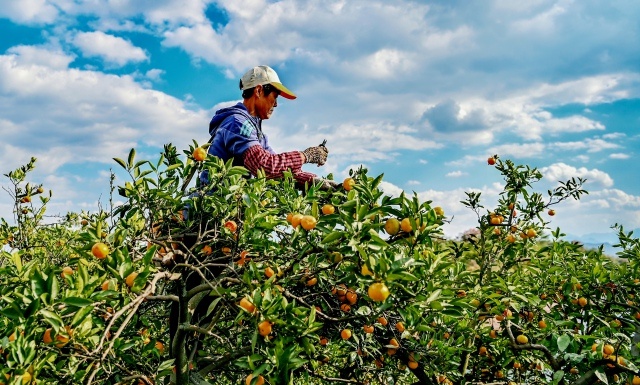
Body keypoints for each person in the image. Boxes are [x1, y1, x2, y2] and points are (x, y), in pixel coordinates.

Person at [200, 65, 338, 190]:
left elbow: (278, 170)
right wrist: (306, 155)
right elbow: (265, 167)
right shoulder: (238, 123)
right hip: (212, 210)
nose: (276, 104)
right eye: (275, 97)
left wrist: (312, 180)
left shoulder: (256, 132)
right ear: (259, 91)